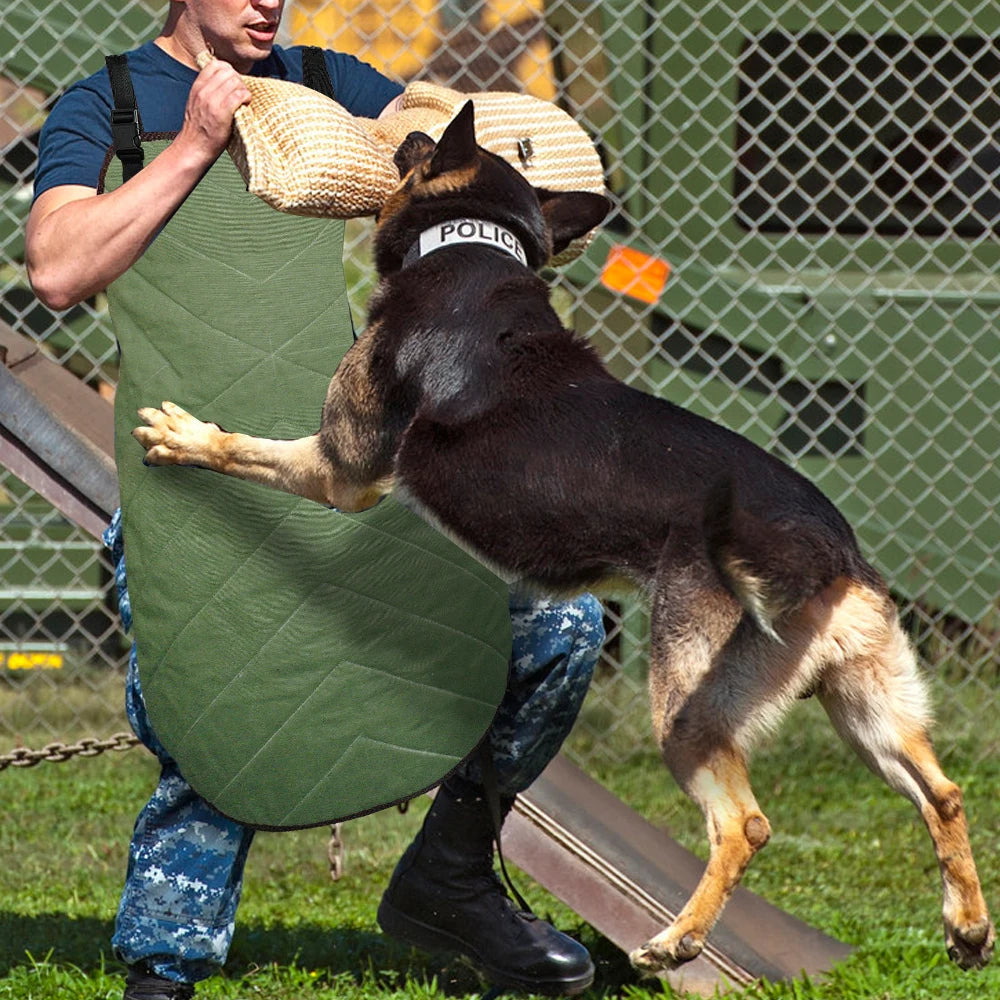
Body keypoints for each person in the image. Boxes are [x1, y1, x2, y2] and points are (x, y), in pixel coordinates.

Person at [25, 3, 605, 1000]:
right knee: (231, 687)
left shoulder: (328, 83)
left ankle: (450, 877)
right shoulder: (111, 103)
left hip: (329, 474)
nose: (267, 2)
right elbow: (57, 267)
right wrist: (198, 143)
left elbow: (460, 159)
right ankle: (163, 969)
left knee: (560, 624)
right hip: (193, 484)